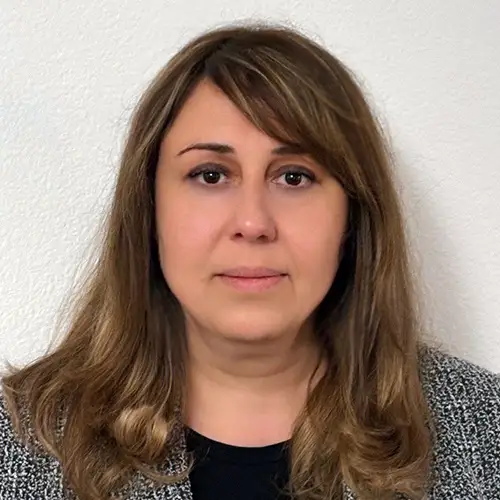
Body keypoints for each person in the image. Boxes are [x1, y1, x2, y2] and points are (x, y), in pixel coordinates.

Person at [1, 20, 499, 500]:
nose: (253, 222)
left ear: (354, 215)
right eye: (211, 175)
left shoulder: (483, 429)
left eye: (294, 177)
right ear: (148, 209)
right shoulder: (17, 441)